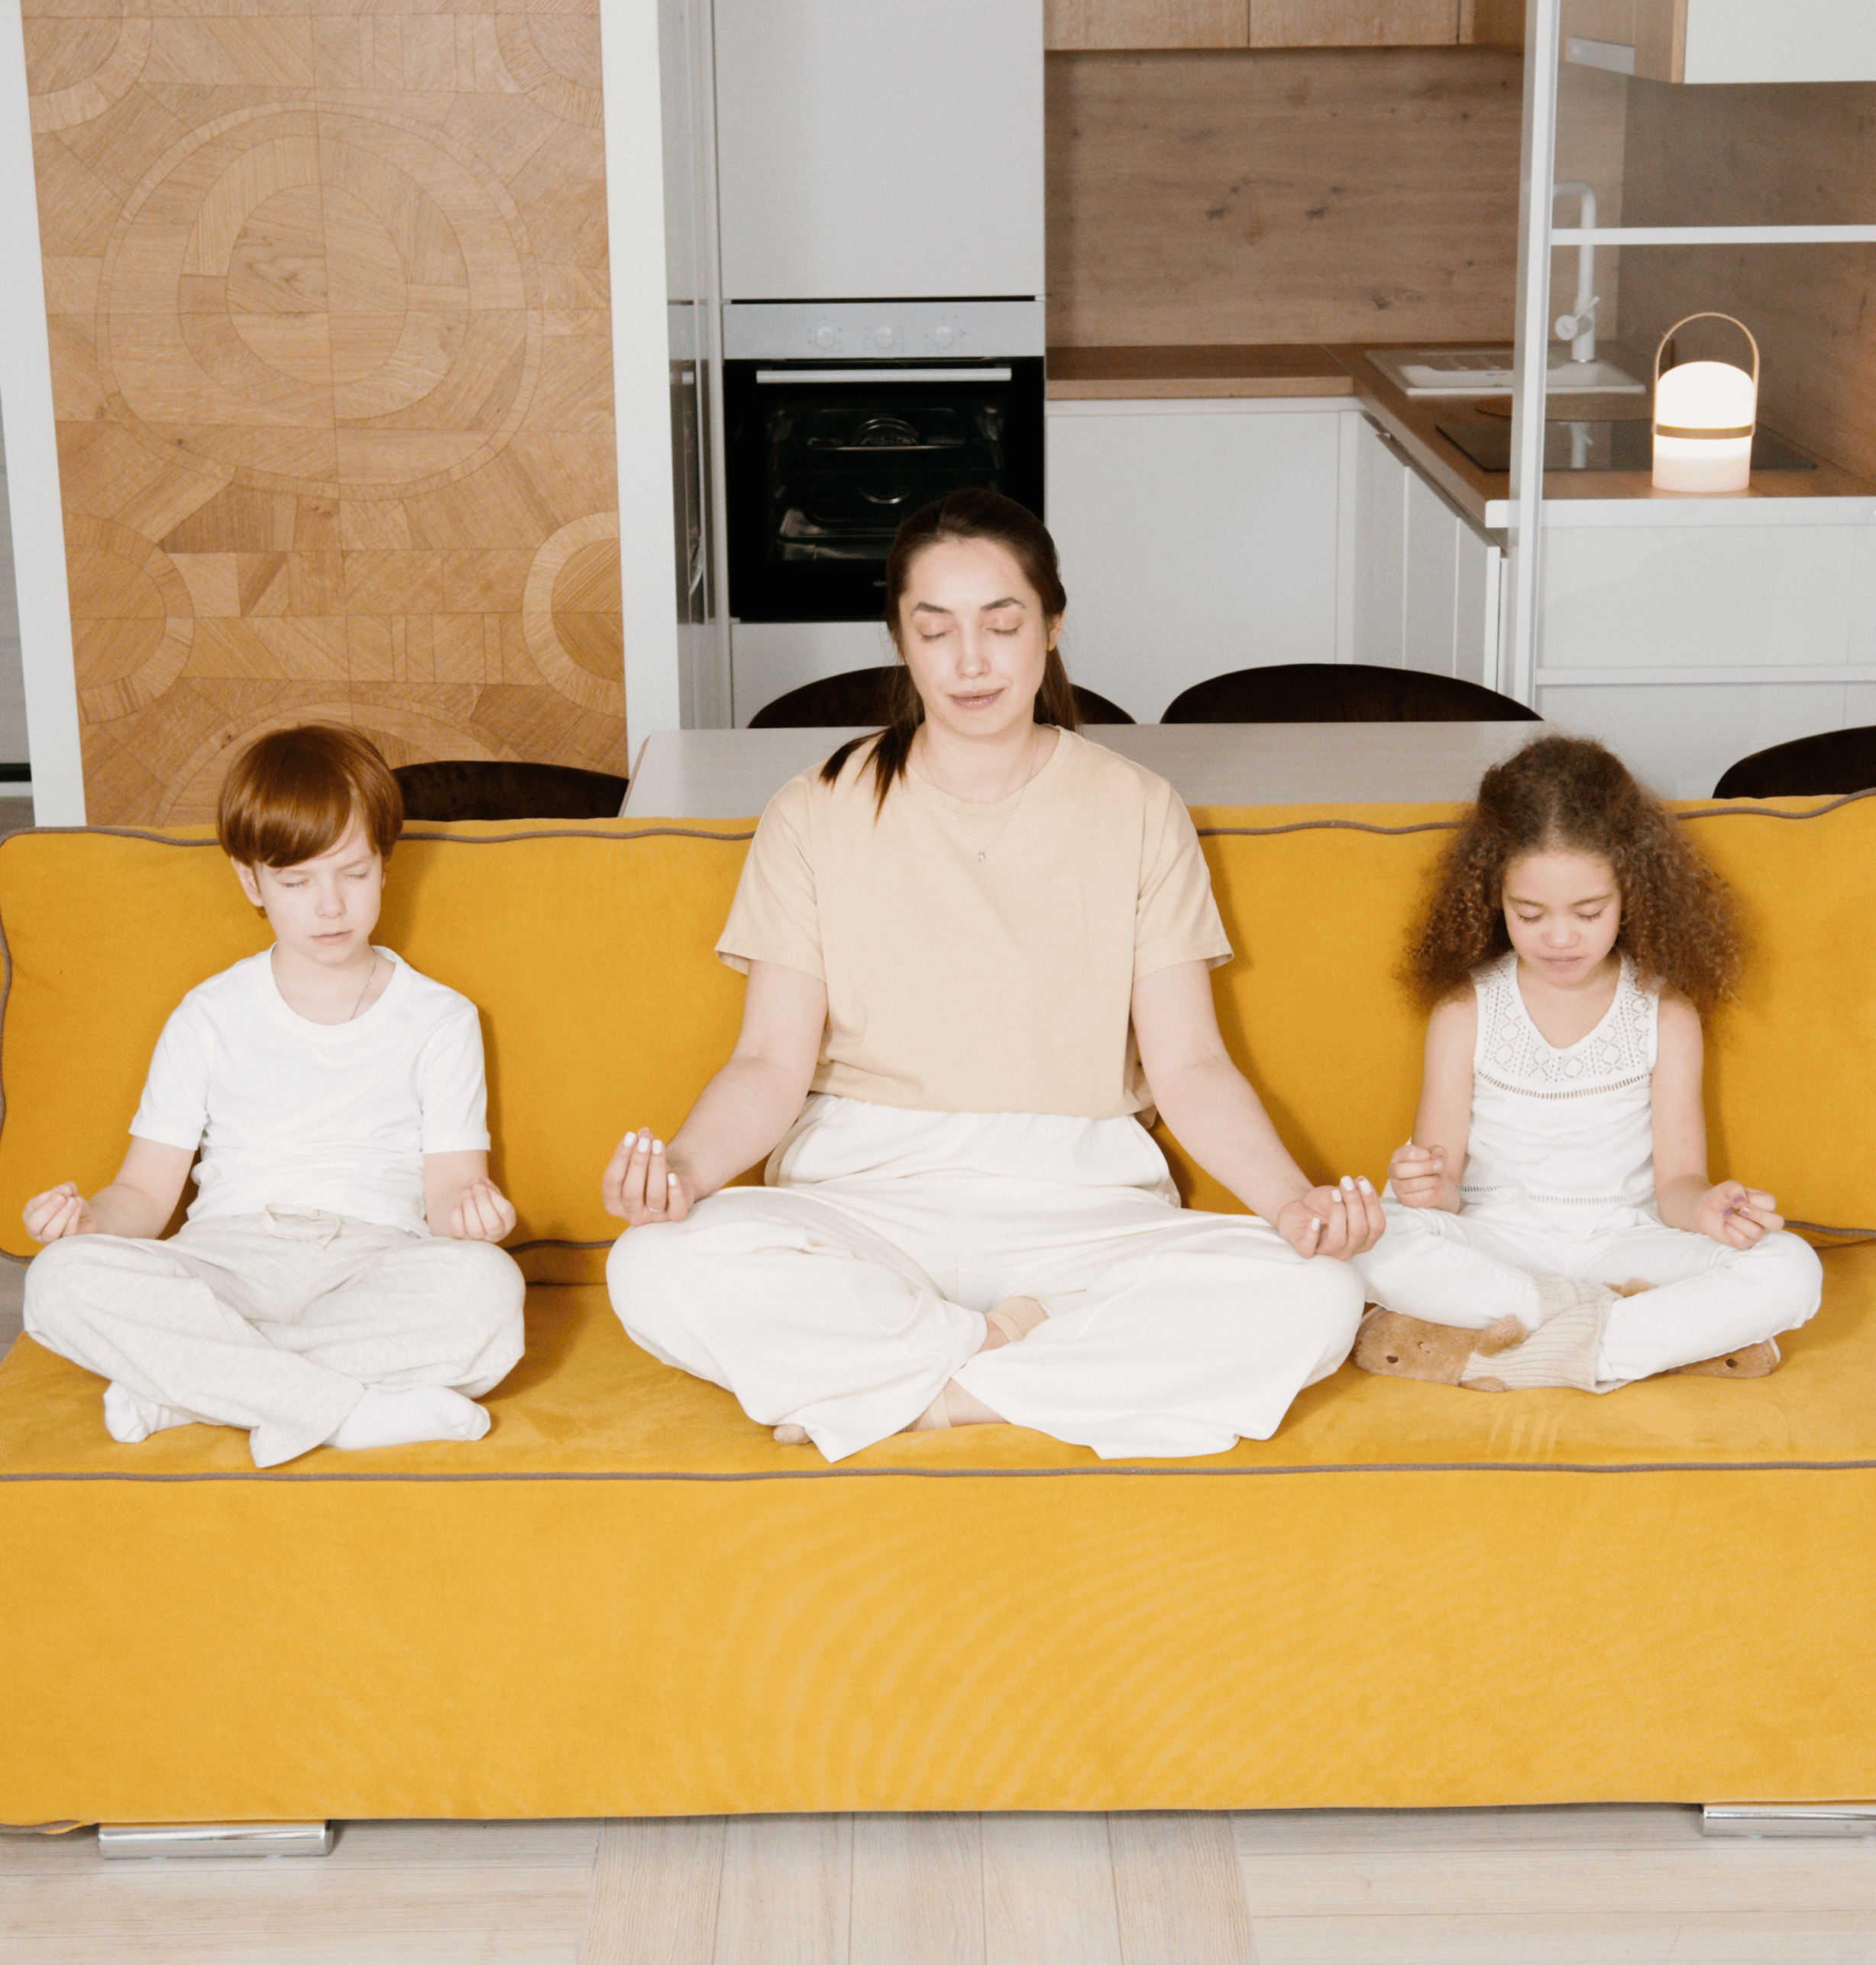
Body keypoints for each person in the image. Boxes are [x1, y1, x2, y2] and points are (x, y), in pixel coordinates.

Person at [603, 488, 1383, 1464]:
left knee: (1318, 1292)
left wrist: (1290, 1203)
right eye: (935, 630)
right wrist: (678, 1173)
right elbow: (766, 1062)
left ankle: (928, 1392)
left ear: (1051, 626)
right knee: (651, 1265)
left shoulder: (1138, 808)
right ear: (901, 639)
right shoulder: (816, 808)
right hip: (863, 1194)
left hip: (1081, 1201)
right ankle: (1016, 1362)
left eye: (1001, 623)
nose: (970, 661)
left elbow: (1189, 1067)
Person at [21, 724, 526, 1470]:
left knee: (487, 1291)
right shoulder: (207, 1013)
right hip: (224, 1266)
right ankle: (348, 1413)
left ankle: (188, 1392)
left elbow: (451, 1191)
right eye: (296, 881)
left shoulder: (440, 1018)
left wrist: (477, 1216)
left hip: (373, 1262)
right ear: (251, 881)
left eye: (353, 873)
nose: (330, 905)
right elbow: (143, 1192)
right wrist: (92, 1223)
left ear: (386, 864)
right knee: (58, 1281)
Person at [1354, 731, 1823, 1391]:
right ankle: (1633, 1335)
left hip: (1621, 1242)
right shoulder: (1465, 1010)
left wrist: (1709, 1209)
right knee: (1373, 1240)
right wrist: (1421, 1186)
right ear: (1495, 897)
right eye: (1530, 913)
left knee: (1792, 1268)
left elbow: (1678, 1184)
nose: (1561, 936)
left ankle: (1519, 1348)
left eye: (1588, 911)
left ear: (1631, 892)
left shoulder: (1665, 1011)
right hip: (1500, 1242)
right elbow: (1444, 1188)